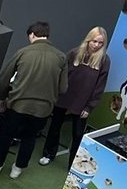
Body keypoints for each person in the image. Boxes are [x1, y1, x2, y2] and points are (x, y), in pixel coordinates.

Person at [0, 21, 68, 178]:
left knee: (5, 135)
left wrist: (2, 99)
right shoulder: (61, 57)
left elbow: (4, 79)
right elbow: (63, 88)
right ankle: (17, 169)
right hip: (43, 110)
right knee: (29, 138)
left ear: (32, 34)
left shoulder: (23, 52)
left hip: (17, 105)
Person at [40, 27, 108, 167]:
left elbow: (99, 86)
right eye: (94, 41)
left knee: (77, 134)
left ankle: (74, 164)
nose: (96, 45)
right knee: (54, 126)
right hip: (64, 96)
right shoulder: (74, 53)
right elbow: (60, 72)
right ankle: (48, 154)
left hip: (83, 103)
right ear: (88, 40)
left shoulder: (104, 60)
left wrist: (89, 107)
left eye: (100, 43)